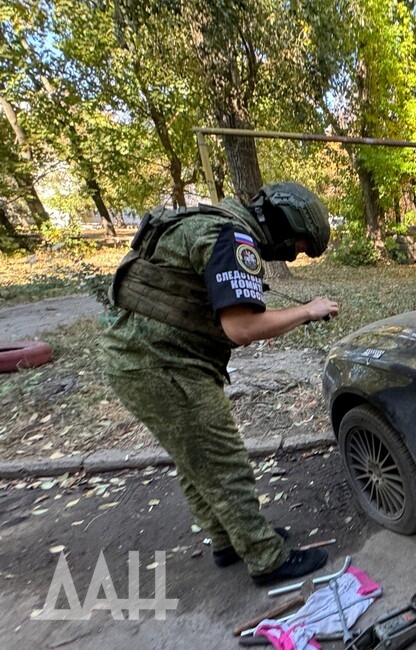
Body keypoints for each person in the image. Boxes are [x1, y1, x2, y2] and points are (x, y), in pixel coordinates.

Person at [102, 181, 340, 586]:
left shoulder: (212, 224)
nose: (294, 255)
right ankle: (266, 558)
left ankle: (228, 539)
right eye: (299, 246)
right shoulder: (231, 237)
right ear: (286, 226)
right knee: (224, 463)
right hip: (165, 365)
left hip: (139, 360)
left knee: (196, 461)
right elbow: (242, 327)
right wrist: (307, 310)